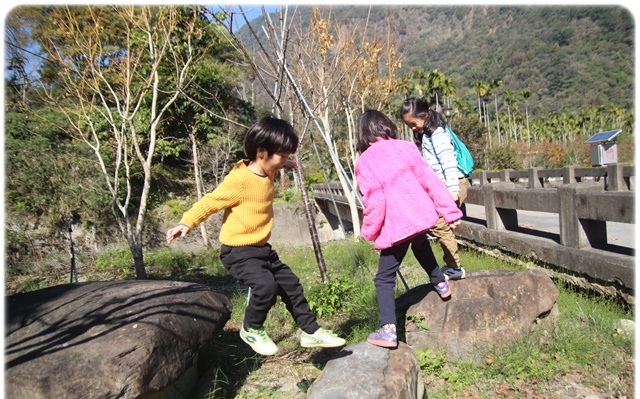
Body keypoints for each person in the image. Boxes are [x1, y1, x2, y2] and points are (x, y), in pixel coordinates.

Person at [166, 116, 346, 356]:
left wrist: (286, 163)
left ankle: (311, 331)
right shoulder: (240, 179)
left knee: (290, 283)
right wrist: (186, 222)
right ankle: (251, 328)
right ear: (262, 152)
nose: (283, 162)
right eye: (282, 156)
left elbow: (276, 163)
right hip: (238, 252)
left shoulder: (268, 168)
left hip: (261, 249)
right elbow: (211, 201)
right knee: (265, 286)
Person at [355, 110, 463, 349]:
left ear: (362, 133)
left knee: (384, 278)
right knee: (421, 245)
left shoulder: (364, 161)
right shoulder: (406, 147)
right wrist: (450, 211)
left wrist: (370, 232)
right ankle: (440, 283)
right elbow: (430, 180)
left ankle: (388, 330)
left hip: (398, 224)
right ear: (387, 126)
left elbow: (374, 201)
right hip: (421, 216)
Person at [401, 97, 470, 281]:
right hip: (444, 187)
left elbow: (448, 162)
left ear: (424, 115)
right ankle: (452, 265)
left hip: (450, 186)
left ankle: (455, 267)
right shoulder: (428, 135)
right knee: (442, 226)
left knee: (440, 225)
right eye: (409, 126)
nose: (413, 128)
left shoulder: (437, 134)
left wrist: (453, 190)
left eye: (414, 123)